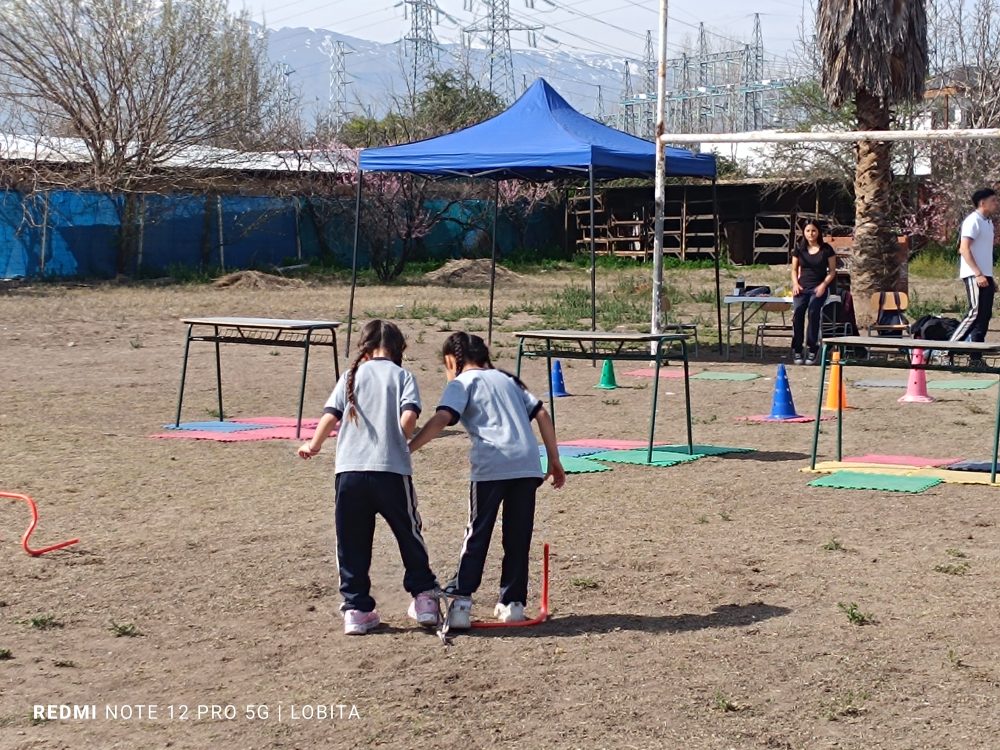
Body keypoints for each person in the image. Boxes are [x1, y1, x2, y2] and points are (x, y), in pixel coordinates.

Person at [408, 332, 565, 629]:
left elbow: (442, 418)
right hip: (527, 464)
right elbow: (542, 413)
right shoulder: (508, 380)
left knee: (477, 533)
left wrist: (409, 449)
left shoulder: (462, 383)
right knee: (518, 536)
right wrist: (554, 459)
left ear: (451, 360)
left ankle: (461, 603)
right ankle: (513, 604)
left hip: (493, 465)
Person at [298, 320, 440, 636]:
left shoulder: (350, 376)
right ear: (398, 348)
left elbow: (330, 416)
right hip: (391, 471)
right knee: (408, 533)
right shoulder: (403, 376)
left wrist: (314, 445)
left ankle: (357, 609)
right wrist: (400, 439)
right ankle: (425, 599)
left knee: (351, 541)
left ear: (364, 346)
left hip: (349, 472)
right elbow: (409, 417)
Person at [949, 188, 999, 362]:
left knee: (984, 316)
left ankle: (975, 356)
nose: (996, 203)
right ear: (982, 202)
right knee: (975, 312)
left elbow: (984, 252)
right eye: (993, 200)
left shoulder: (988, 223)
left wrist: (990, 277)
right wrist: (978, 274)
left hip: (985, 274)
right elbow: (964, 249)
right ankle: (946, 350)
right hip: (973, 274)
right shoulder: (973, 221)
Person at [790, 220, 838, 365]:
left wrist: (823, 285)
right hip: (802, 287)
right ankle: (797, 349)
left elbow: (832, 271)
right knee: (798, 312)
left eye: (814, 231)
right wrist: (795, 284)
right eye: (808, 231)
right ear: (804, 233)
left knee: (813, 312)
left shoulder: (826, 249)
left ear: (818, 232)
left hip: (819, 288)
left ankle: (813, 348)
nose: (811, 234)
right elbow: (793, 269)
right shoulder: (799, 249)